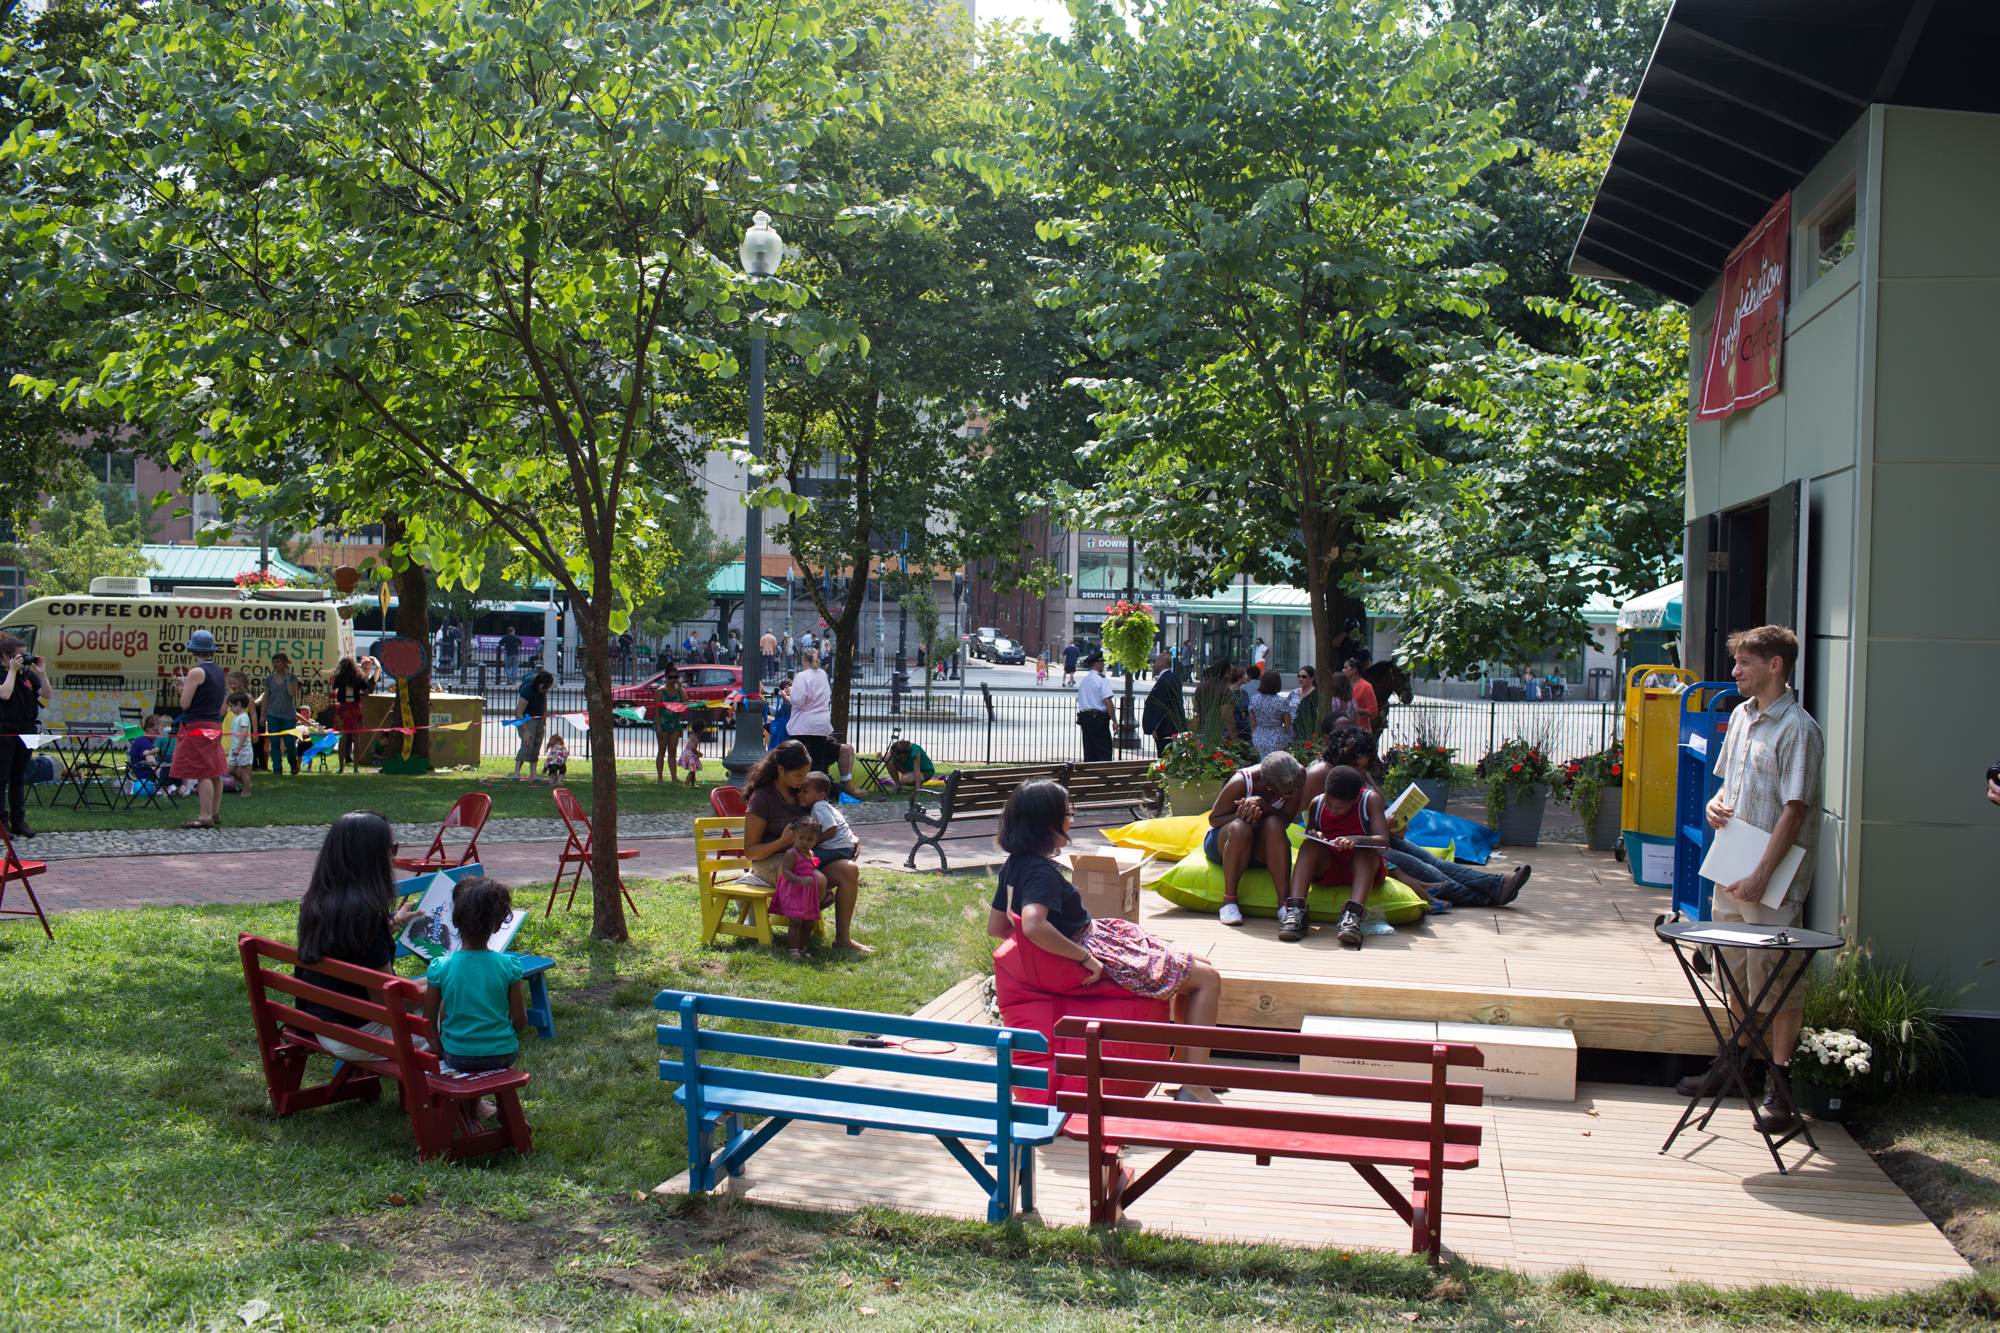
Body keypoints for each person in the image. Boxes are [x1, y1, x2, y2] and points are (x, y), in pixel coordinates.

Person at [986, 778, 1225, 1101]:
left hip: (1092, 938)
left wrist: (1041, 958)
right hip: (1091, 950)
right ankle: (1193, 1086)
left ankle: (1186, 1068)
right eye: (1068, 811)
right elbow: (1032, 925)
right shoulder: (1040, 872)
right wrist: (1082, 958)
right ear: (1047, 821)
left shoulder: (1014, 865)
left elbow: (998, 927)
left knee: (1198, 965)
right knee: (1207, 979)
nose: (1072, 818)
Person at [1678, 624, 1824, 1134]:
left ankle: (1778, 1088)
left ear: (1775, 665)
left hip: (1772, 877)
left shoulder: (1798, 729)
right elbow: (1728, 785)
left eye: (1744, 663)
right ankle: (1736, 1064)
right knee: (1732, 970)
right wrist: (1718, 805)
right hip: (1730, 866)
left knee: (1778, 980)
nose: (1735, 671)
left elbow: (1795, 810)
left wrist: (1763, 873)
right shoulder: (1740, 716)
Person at [295, 811, 433, 1063]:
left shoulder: (317, 902)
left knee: (444, 979)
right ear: (372, 856)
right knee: (459, 1004)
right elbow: (385, 1004)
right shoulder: (367, 917)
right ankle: (468, 1097)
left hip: (325, 1024)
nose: (394, 856)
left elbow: (350, 947)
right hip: (362, 1035)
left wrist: (389, 927)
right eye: (392, 848)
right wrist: (442, 986)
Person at [742, 741, 870, 952]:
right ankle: (799, 940)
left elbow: (825, 821)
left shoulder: (801, 794)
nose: (802, 782)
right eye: (798, 777)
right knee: (817, 880)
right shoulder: (762, 797)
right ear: (781, 769)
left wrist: (850, 838)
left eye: (805, 776)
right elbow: (751, 851)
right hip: (769, 861)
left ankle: (842, 939)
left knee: (849, 869)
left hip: (803, 859)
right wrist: (782, 842)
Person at [422, 875, 528, 1120]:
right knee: (505, 1061)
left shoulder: (440, 967)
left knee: (471, 1057)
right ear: (497, 925)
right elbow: (520, 1022)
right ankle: (508, 1111)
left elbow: (428, 1021)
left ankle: (471, 1116)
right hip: (502, 1054)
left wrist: (440, 1048)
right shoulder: (508, 966)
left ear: (456, 922)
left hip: (456, 1054)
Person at [1291, 765, 1390, 948]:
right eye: (1329, 804)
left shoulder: (1369, 800)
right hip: (1330, 866)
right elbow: (1311, 832)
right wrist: (1315, 834)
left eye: (1339, 807)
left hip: (1361, 869)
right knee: (1308, 845)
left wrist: (1356, 839)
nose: (1333, 810)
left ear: (1355, 800)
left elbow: (1384, 842)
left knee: (1365, 855)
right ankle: (1296, 911)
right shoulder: (1317, 804)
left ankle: (1352, 917)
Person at [1205, 751, 1307, 930]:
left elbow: (1286, 820)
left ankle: (1284, 905)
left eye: (1297, 788)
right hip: (1228, 843)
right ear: (1268, 786)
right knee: (1240, 826)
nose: (1295, 792)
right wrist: (1243, 813)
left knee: (1275, 823)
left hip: (1261, 847)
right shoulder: (1241, 783)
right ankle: (1229, 902)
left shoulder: (1298, 775)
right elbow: (1214, 818)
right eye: (1288, 793)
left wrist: (1265, 807)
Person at [171, 629, 229, 828]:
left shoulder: (195, 672)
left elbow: (185, 704)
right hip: (214, 723)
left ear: (192, 649)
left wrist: (183, 688)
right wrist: (187, 684)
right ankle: (215, 812)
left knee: (202, 771)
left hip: (197, 724)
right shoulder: (219, 670)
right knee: (214, 770)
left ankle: (204, 816)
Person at [0, 634, 53, 840]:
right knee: (1, 779)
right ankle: (2, 823)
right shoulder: (5, 674)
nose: (23, 660)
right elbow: (4, 694)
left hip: (26, 730)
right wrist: (11, 671)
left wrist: (41, 673)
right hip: (5, 731)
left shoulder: (27, 676)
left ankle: (18, 822)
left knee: (18, 778)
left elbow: (47, 694)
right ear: (5, 656)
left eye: (25, 655)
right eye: (18, 656)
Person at [771, 814, 827, 961]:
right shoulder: (791, 853)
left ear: (815, 841)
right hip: (793, 892)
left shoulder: (810, 854)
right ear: (793, 837)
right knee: (796, 921)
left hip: (807, 894)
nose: (805, 842)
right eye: (801, 838)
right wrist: (801, 881)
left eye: (810, 839)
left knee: (809, 922)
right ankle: (793, 949)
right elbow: (786, 872)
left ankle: (802, 948)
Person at [804, 771, 860, 870]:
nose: (800, 795)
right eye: (799, 791)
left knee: (804, 860)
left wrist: (815, 843)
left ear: (820, 796)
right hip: (845, 847)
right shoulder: (822, 806)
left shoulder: (818, 806)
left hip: (837, 848)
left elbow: (831, 827)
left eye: (805, 791)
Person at [328, 656, 371, 774]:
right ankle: (356, 768)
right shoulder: (359, 677)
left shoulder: (340, 677)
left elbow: (333, 689)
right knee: (356, 739)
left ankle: (341, 768)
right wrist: (358, 694)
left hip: (343, 709)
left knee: (342, 739)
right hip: (355, 709)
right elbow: (366, 693)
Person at [263, 653, 302, 777]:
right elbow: (266, 697)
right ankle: (277, 767)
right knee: (274, 742)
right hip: (273, 714)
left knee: (289, 741)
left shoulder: (292, 677)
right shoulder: (269, 679)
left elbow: (291, 693)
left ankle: (292, 763)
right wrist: (262, 715)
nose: (275, 664)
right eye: (274, 662)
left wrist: (287, 678)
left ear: (286, 663)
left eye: (278, 662)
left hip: (288, 715)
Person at [1140, 652, 1188, 755]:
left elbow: (1161, 705)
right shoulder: (1174, 677)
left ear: (1161, 664)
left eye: (1156, 662)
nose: (1154, 664)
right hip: (1173, 726)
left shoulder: (1164, 680)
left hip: (1165, 728)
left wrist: (1155, 727)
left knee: (1164, 755)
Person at [511, 669, 553, 781]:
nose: (545, 690)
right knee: (527, 744)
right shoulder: (527, 691)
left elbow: (544, 703)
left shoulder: (543, 690)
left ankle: (533, 774)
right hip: (526, 719)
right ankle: (516, 773)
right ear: (538, 684)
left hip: (539, 718)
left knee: (536, 745)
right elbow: (519, 712)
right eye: (544, 687)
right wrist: (525, 731)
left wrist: (544, 717)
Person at [1245, 669, 1294, 759]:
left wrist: (1256, 734)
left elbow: (1252, 723)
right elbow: (1287, 725)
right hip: (1277, 736)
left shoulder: (1255, 699)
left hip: (1259, 735)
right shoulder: (1282, 701)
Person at [1075, 651, 1114, 762]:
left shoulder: (1084, 682)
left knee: (1089, 752)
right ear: (1097, 664)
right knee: (1104, 752)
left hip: (1085, 720)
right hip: (1098, 721)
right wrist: (1114, 721)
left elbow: (1080, 700)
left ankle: (1090, 777)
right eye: (1102, 662)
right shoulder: (1102, 680)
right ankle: (1103, 778)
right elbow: (1107, 701)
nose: (1103, 665)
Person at [652, 664, 688, 783]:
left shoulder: (679, 690)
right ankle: (660, 777)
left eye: (676, 677)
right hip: (663, 723)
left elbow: (686, 703)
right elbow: (656, 709)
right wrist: (658, 726)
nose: (673, 680)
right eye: (671, 677)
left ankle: (674, 777)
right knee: (662, 750)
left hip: (675, 724)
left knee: (672, 751)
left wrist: (681, 687)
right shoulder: (660, 691)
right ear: (666, 677)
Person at [1190, 661, 1236, 743]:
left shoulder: (1201, 687)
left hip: (1202, 732)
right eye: (1231, 671)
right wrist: (1235, 741)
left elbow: (1196, 707)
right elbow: (1228, 719)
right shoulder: (1224, 690)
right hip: (1219, 735)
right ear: (1227, 672)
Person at [226, 691, 255, 797]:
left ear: (238, 704)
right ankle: (247, 784)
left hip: (242, 748)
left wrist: (238, 747)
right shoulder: (236, 716)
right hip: (235, 748)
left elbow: (244, 733)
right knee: (231, 770)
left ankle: (247, 791)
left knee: (242, 770)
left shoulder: (243, 717)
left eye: (231, 706)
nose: (230, 709)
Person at [1344, 654, 1379, 732]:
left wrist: (1352, 709)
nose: (1343, 670)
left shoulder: (1366, 686)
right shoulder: (1343, 685)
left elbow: (1373, 711)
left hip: (1361, 730)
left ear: (1354, 670)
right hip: (1345, 729)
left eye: (1346, 668)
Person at [1287, 665, 1320, 744]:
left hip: (1308, 733)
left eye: (1304, 677)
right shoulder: (1293, 693)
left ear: (1312, 678)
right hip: (1291, 733)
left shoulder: (1316, 694)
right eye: (1299, 676)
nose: (1300, 679)